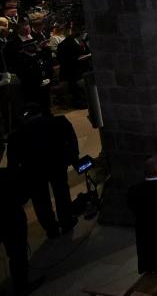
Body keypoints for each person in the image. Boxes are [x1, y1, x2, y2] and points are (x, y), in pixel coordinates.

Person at [6, 104, 79, 239]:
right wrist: (73, 158)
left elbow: (13, 162)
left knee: (40, 200)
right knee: (61, 191)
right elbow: (72, 140)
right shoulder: (58, 122)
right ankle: (66, 221)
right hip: (57, 163)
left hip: (33, 170)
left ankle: (51, 228)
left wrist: (16, 178)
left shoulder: (16, 135)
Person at [0, 154, 39, 295]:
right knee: (17, 255)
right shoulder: (6, 176)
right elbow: (23, 196)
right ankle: (21, 286)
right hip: (12, 221)